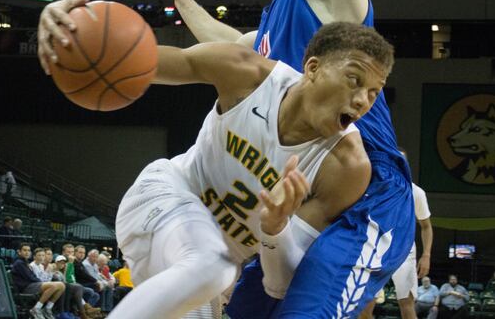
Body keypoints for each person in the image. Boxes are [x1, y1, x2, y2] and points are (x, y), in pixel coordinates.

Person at [40, 0, 413, 318]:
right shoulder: (269, 35)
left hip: (370, 192)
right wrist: (78, 31)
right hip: (300, 187)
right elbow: (226, 50)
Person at [47, 19, 395, 317]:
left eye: (374, 92)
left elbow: (278, 284)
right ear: (313, 68)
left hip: (202, 261)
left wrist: (275, 229)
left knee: (213, 267)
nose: (363, 100)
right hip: (164, 197)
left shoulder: (347, 167)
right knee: (213, 267)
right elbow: (140, 62)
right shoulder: (248, 75)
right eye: (354, 80)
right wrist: (70, 34)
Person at [361, 181, 433, 319]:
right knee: (364, 309)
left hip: (404, 252)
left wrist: (426, 255)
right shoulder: (374, 185)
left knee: (407, 305)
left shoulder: (416, 192)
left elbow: (426, 226)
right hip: (375, 252)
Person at [11, 243, 65, 319]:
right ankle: (36, 309)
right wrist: (43, 282)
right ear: (19, 252)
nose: (27, 252)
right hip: (26, 288)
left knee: (62, 286)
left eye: (29, 250)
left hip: (32, 285)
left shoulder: (25, 262)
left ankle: (47, 308)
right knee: (53, 286)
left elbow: (32, 277)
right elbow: (31, 277)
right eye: (24, 250)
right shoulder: (19, 263)